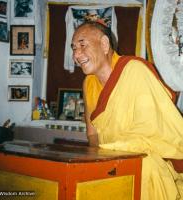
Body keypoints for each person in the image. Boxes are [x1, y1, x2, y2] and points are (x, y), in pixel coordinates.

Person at [71, 21, 183, 200]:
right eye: (73, 48)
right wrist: (101, 161)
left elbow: (149, 132)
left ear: (105, 44)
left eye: (82, 45)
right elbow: (92, 134)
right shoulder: (89, 83)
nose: (76, 54)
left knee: (146, 168)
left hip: (145, 161)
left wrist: (111, 151)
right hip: (111, 161)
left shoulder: (134, 70)